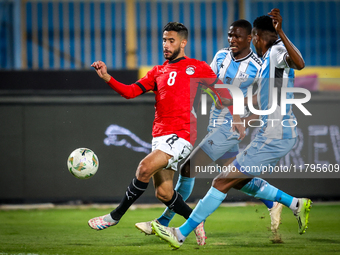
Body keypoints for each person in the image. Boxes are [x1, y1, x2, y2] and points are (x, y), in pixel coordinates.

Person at [151, 9, 312, 249]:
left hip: (274, 135)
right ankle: (293, 203)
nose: (233, 40)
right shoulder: (247, 57)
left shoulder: (276, 51)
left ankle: (179, 231)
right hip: (267, 133)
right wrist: (241, 110)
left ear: (255, 37)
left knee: (213, 178)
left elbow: (300, 62)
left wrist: (281, 32)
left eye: (242, 36)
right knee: (231, 180)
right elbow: (262, 97)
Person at [87, 22, 235, 245]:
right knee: (164, 193)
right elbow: (130, 92)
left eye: (171, 40)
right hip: (160, 136)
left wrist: (236, 116)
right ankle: (195, 220)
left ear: (183, 43)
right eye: (164, 40)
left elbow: (224, 93)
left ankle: (114, 216)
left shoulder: (197, 67)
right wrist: (107, 77)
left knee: (144, 167)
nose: (166, 45)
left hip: (182, 134)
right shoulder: (157, 71)